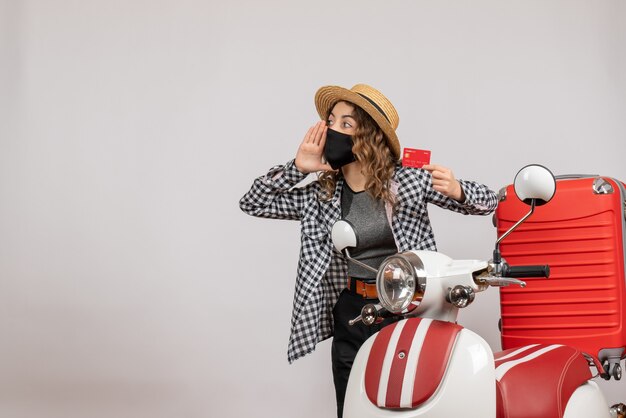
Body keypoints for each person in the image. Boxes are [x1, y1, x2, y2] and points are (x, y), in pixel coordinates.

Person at [239, 84, 498, 417]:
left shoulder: (407, 182)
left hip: (406, 308)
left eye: (346, 124)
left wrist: (460, 190)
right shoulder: (321, 194)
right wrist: (297, 168)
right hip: (353, 310)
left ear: (369, 137)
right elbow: (253, 202)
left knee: (406, 400)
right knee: (352, 405)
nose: (332, 130)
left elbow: (489, 201)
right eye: (331, 120)